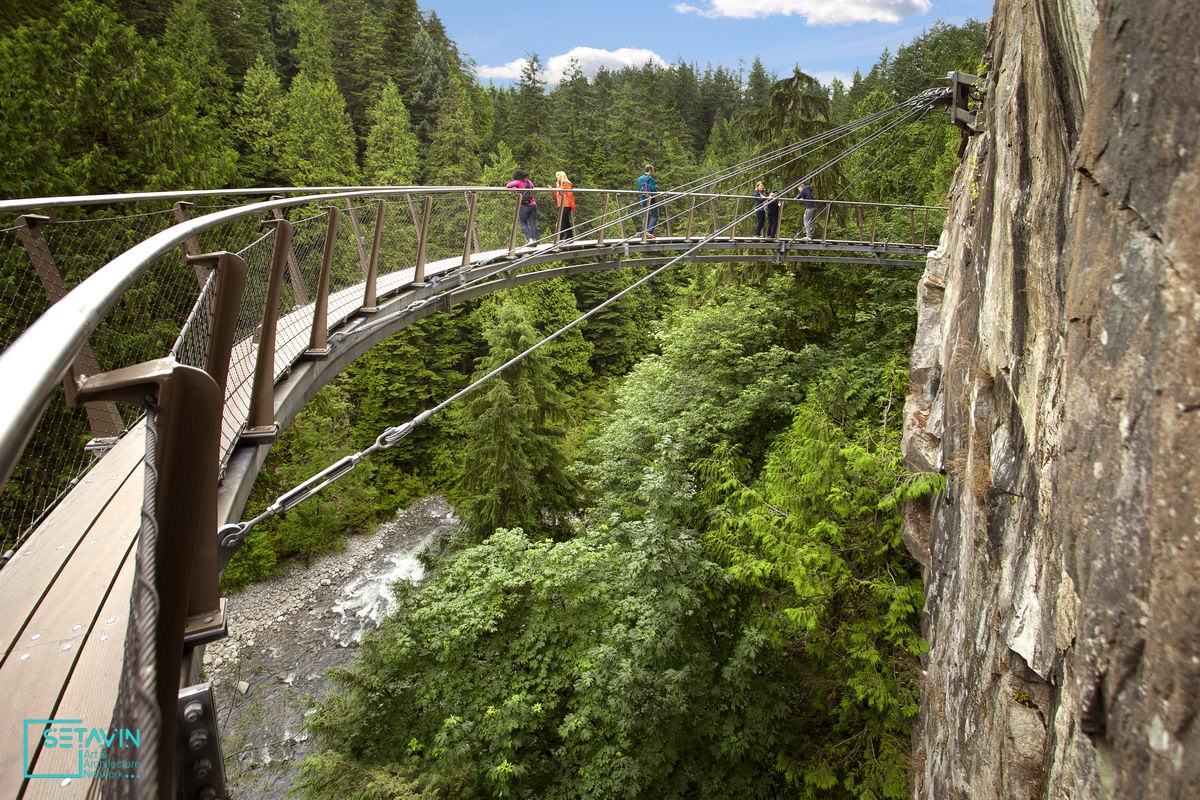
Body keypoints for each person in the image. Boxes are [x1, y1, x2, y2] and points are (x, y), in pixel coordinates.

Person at [506, 169, 539, 245]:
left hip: (524, 206)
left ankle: (529, 240)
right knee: (533, 222)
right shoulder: (529, 182)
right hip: (533, 204)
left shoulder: (518, 182)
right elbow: (532, 187)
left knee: (523, 222)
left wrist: (514, 189)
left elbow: (508, 185)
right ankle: (535, 240)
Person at [553, 170, 576, 240]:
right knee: (565, 221)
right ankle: (569, 237)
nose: (557, 177)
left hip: (566, 205)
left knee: (562, 221)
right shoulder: (560, 185)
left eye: (558, 176)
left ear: (562, 176)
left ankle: (560, 238)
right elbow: (558, 195)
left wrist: (573, 206)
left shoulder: (567, 184)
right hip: (561, 205)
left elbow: (570, 195)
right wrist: (552, 190)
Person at [637, 163, 658, 238]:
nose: (653, 172)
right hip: (650, 199)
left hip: (642, 199)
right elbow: (652, 189)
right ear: (650, 170)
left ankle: (644, 232)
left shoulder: (639, 178)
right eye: (652, 170)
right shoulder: (650, 178)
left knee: (645, 216)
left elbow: (639, 189)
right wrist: (657, 193)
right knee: (655, 215)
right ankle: (649, 232)